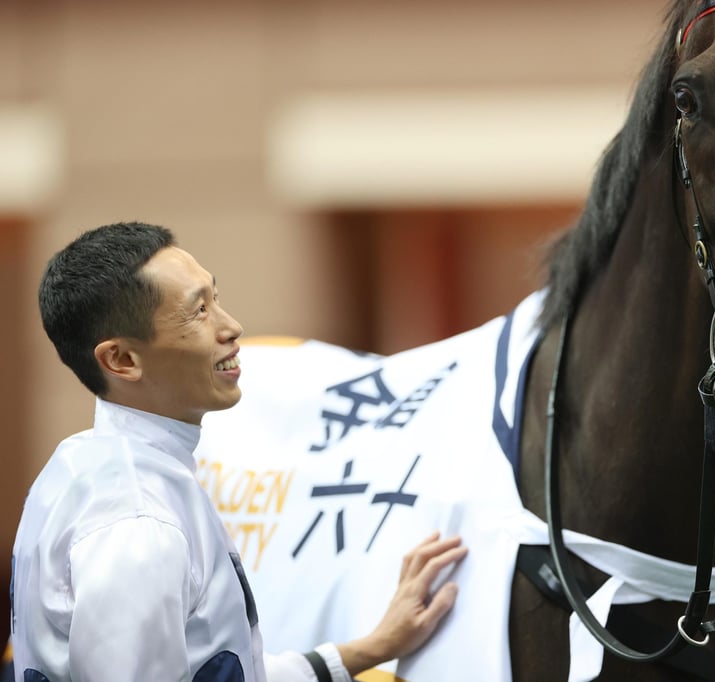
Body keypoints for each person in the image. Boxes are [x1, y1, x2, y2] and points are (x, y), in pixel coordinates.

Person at [9, 221, 468, 682]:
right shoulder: (138, 522)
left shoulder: (87, 465)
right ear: (122, 360)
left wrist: (372, 648)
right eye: (198, 311)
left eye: (216, 298)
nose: (231, 327)